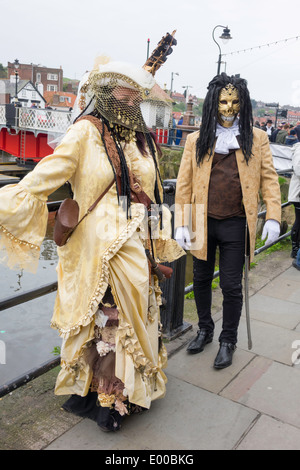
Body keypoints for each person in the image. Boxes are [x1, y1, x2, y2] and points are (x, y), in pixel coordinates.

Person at [0, 52, 184, 431]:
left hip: (136, 245)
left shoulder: (140, 139)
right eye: (123, 96)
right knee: (105, 322)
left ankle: (126, 393)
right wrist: (15, 198)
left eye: (136, 98)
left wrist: (158, 230)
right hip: (95, 251)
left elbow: (150, 190)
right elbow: (51, 170)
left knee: (131, 321)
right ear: (103, 94)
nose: (130, 103)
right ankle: (104, 399)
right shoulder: (85, 131)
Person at [174, 73, 281, 369]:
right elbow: (184, 183)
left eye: (235, 101)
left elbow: (270, 180)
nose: (229, 106)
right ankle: (205, 329)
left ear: (243, 103)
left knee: (232, 285)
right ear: (213, 103)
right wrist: (182, 221)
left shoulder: (256, 138)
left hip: (236, 222)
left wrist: (273, 215)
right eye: (223, 101)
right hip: (201, 220)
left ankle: (228, 339)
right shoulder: (196, 140)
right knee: (200, 280)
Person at [288, 141, 300, 258]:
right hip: (298, 193)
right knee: (298, 221)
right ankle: (295, 249)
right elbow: (297, 169)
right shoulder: (299, 150)